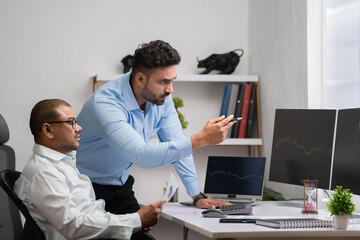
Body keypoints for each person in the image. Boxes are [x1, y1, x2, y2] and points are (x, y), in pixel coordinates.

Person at [76, 40, 234, 215]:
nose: (170, 90)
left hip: (121, 188)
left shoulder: (161, 100)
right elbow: (141, 155)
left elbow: (178, 144)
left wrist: (197, 196)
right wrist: (202, 139)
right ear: (140, 79)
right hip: (87, 190)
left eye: (172, 80)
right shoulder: (105, 104)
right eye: (163, 82)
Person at [14, 99, 166, 240]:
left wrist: (132, 225)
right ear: (48, 130)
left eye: (77, 122)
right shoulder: (44, 173)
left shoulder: (62, 163)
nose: (79, 128)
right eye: (71, 122)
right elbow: (74, 225)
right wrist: (135, 221)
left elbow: (87, 215)